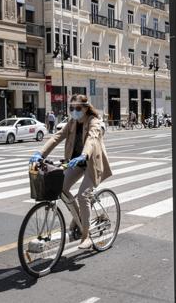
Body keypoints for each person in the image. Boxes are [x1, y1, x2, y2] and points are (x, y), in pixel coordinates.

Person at [29, 94, 112, 249]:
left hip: (91, 163)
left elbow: (92, 139)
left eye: (78, 108)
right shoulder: (72, 122)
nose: (74, 111)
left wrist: (84, 154)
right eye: (71, 108)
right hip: (76, 163)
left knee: (82, 195)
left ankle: (85, 236)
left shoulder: (95, 122)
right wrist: (40, 153)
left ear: (86, 108)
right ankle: (80, 218)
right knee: (61, 188)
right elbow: (57, 137)